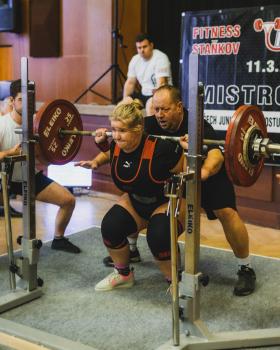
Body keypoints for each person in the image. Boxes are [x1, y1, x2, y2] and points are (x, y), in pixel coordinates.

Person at [96, 85, 256, 296]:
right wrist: (98, 157)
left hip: (204, 173)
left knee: (226, 212)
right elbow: (124, 143)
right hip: (174, 177)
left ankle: (245, 268)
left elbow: (216, 154)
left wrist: (204, 173)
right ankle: (131, 252)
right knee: (136, 193)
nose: (159, 115)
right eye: (156, 109)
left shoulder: (197, 126)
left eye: (165, 109)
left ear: (179, 107)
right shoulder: (147, 124)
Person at [76, 99, 185, 291]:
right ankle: (124, 274)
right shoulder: (116, 146)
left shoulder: (161, 149)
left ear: (138, 129)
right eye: (114, 129)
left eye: (122, 130)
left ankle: (175, 282)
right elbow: (111, 153)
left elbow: (185, 169)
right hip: (136, 201)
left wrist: (188, 150)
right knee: (110, 226)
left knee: (158, 236)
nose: (116, 136)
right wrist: (95, 162)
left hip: (165, 200)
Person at [0, 79, 81, 254]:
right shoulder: (2, 125)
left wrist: (42, 153)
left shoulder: (38, 126)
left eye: (30, 100)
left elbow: (46, 161)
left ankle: (58, 239)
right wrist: (8, 153)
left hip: (28, 174)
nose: (27, 104)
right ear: (12, 101)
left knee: (68, 200)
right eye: (21, 99)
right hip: (4, 177)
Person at [123, 33, 172, 115]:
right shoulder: (135, 60)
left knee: (150, 104)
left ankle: (151, 128)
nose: (142, 50)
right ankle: (131, 128)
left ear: (151, 45)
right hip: (144, 94)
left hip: (161, 94)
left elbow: (162, 83)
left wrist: (155, 99)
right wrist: (124, 100)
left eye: (144, 47)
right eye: (139, 48)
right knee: (127, 103)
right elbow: (130, 83)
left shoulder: (161, 58)